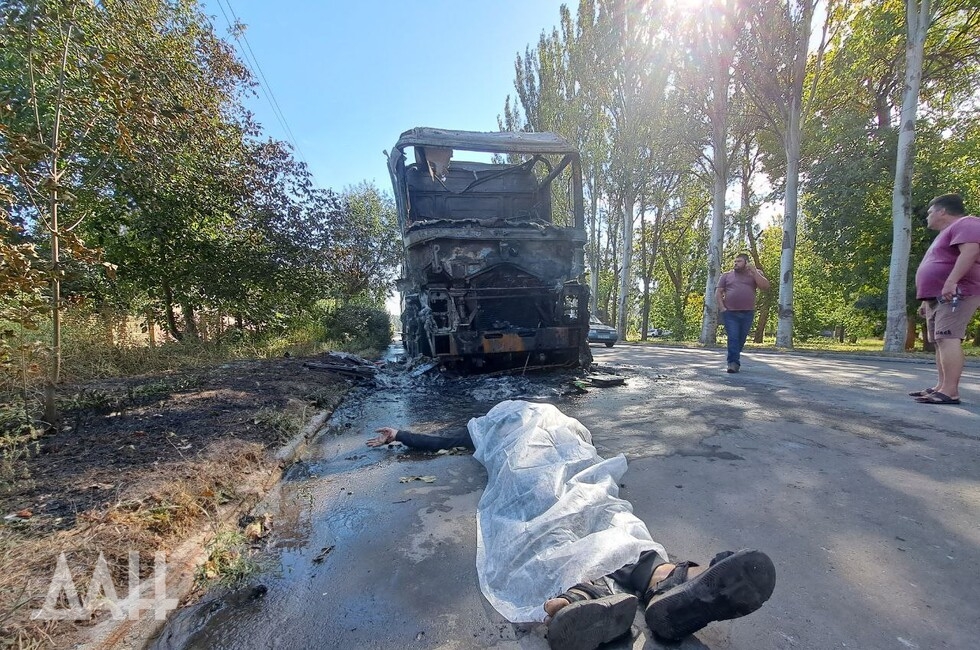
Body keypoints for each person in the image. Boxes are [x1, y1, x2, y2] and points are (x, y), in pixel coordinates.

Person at [368, 401, 776, 650]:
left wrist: (402, 434)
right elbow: (583, 442)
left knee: (550, 513)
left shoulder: (490, 423)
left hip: (533, 466)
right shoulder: (540, 417)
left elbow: (447, 440)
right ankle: (665, 576)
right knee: (601, 504)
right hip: (563, 462)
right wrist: (401, 433)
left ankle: (586, 591)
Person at [910, 193, 980, 405]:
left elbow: (970, 252)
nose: (928, 217)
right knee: (941, 341)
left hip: (958, 292)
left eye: (930, 212)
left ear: (942, 211)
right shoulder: (945, 233)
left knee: (948, 338)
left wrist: (951, 282)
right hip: (938, 296)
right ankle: (941, 387)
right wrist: (925, 299)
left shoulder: (967, 223)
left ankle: (950, 391)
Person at [715, 253, 770, 373]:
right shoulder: (726, 275)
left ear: (746, 263)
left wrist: (755, 271)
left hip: (747, 313)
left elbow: (765, 286)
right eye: (735, 261)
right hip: (730, 313)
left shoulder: (754, 273)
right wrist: (722, 308)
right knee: (733, 338)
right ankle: (733, 363)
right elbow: (718, 292)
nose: (735, 263)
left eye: (739, 261)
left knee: (741, 339)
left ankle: (735, 355)